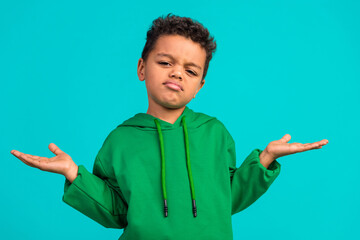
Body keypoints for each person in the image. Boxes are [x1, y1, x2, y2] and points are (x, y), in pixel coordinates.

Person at [10, 13, 329, 240]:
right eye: (165, 63)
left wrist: (264, 160)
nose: (177, 74)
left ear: (200, 85)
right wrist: (74, 175)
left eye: (191, 71)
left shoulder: (215, 133)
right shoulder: (120, 141)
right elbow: (117, 212)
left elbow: (224, 199)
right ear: (141, 68)